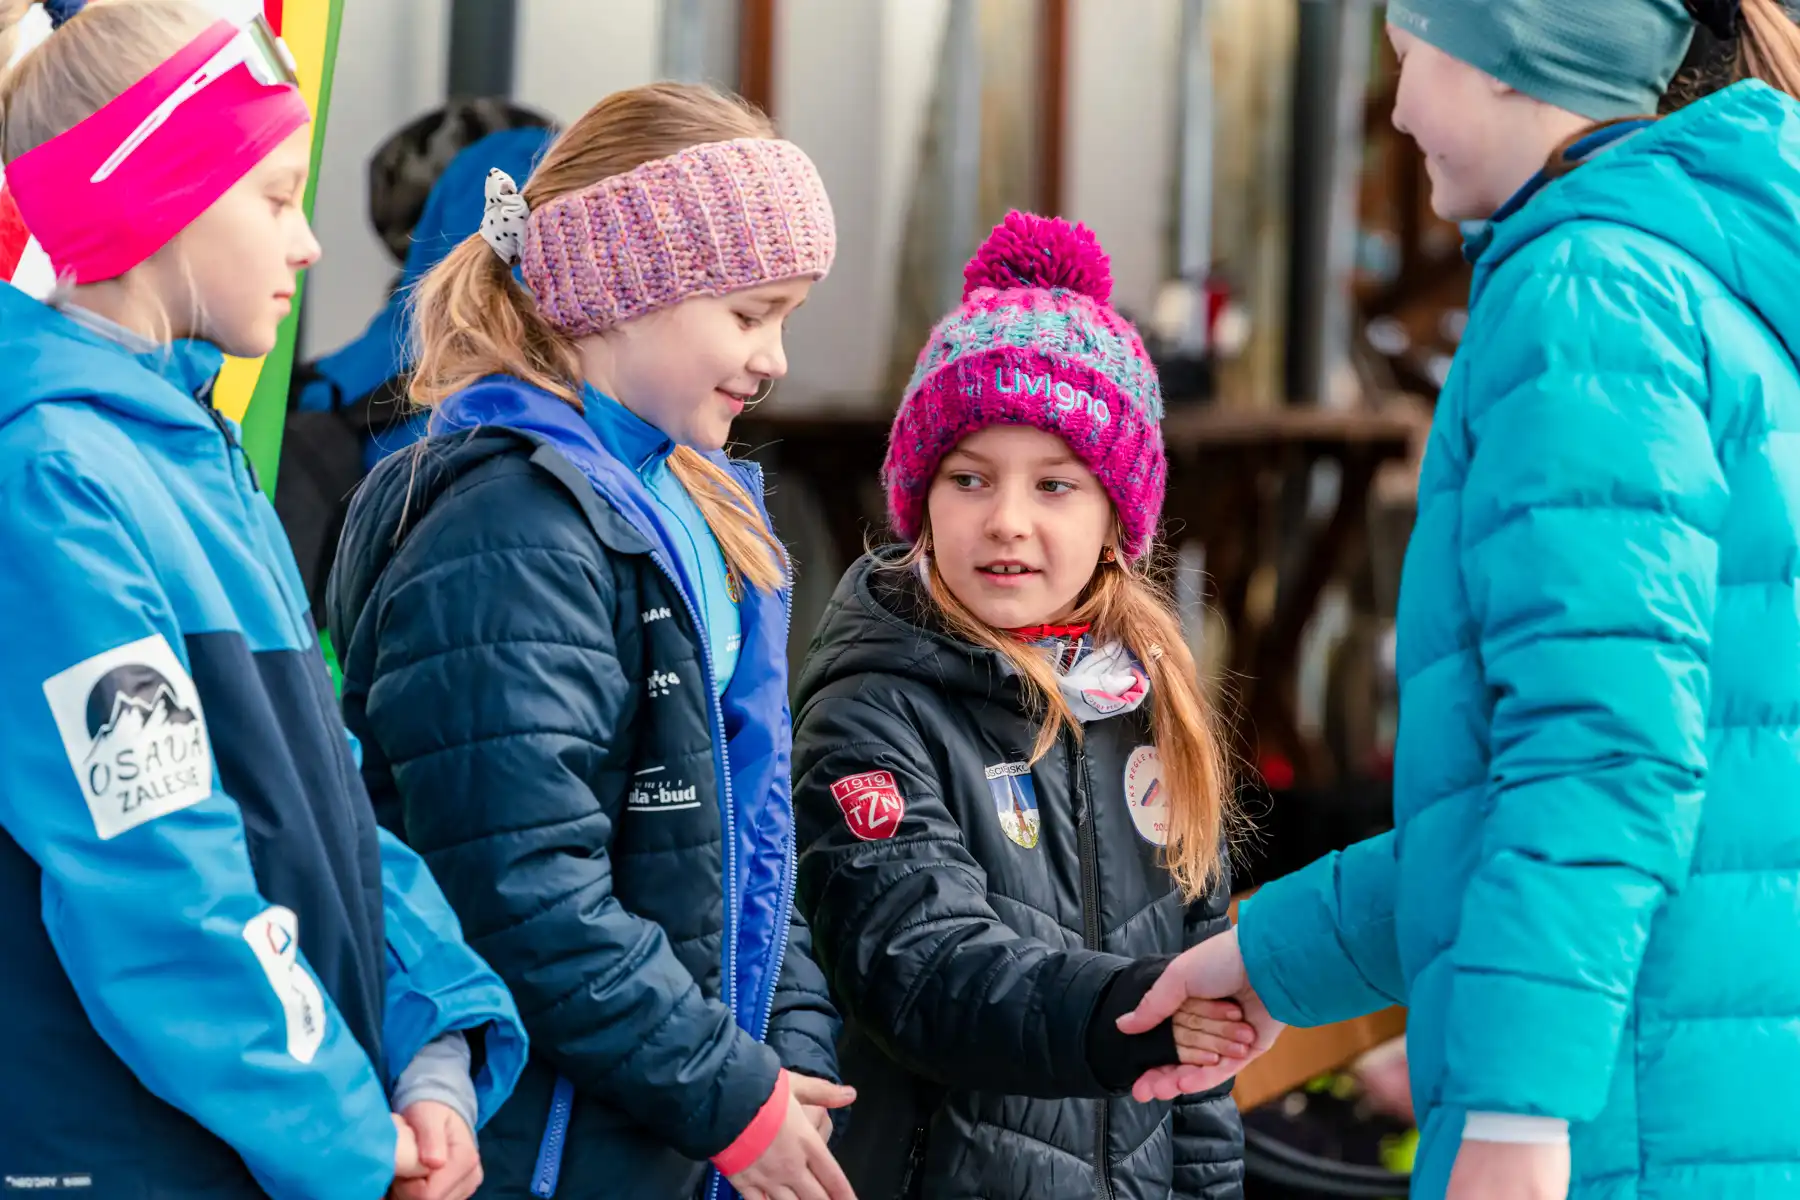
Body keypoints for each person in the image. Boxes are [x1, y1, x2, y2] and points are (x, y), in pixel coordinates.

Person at [1119, 2, 1800, 1198]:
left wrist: (1517, 1112)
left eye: (1410, 58)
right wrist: (1278, 957)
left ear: (1511, 54)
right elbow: (1564, 795)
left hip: (1625, 1124)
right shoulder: (1707, 275)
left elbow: (1599, 755)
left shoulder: (1588, 294)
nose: (1395, 110)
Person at [0, 3, 527, 1199]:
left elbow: (321, 793)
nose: (310, 247)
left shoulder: (194, 455)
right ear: (159, 199)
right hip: (128, 1157)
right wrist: (345, 1130)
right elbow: (155, 878)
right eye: (277, 196)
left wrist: (429, 1039)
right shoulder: (54, 478)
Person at [326, 83, 855, 1200]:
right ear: (624, 285)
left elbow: (750, 837)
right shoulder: (508, 530)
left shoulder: (699, 507)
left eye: (787, 320)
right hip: (541, 1149)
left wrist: (789, 1052)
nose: (776, 361)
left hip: (667, 1125)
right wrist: (733, 1095)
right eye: (751, 314)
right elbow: (523, 891)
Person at [789, 211, 1260, 1200]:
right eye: (969, 479)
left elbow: (1206, 1072)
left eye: (1055, 485)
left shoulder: (1146, 703)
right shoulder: (870, 713)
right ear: (921, 501)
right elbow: (922, 970)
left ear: (1115, 523)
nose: (1007, 520)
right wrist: (1137, 1011)